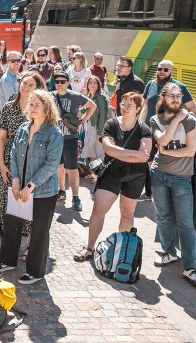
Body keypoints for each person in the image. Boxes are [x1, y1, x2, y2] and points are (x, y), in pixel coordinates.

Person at [73, 92, 151, 262]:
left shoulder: (144, 129)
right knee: (98, 209)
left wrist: (121, 153)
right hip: (112, 172)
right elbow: (108, 149)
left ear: (138, 109)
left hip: (135, 175)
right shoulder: (111, 124)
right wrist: (133, 154)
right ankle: (89, 248)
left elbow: (145, 156)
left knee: (127, 213)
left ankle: (121, 252)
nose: (125, 107)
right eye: (123, 104)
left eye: (130, 105)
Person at [0, 89, 64, 284]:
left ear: (47, 108)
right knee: (12, 224)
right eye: (31, 104)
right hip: (20, 186)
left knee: (39, 231)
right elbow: (14, 154)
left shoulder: (54, 132)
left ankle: (35, 272)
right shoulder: (23, 128)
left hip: (43, 191)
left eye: (38, 104)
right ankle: (7, 261)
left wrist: (30, 186)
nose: (33, 107)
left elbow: (52, 165)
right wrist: (17, 181)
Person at [149, 83, 196, 287]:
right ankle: (169, 253)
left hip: (181, 178)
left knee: (186, 223)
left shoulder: (190, 121)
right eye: (172, 96)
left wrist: (166, 152)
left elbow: (190, 151)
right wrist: (176, 121)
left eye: (178, 96)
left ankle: (190, 267)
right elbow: (162, 139)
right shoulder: (156, 120)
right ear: (163, 98)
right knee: (163, 217)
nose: (176, 99)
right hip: (159, 174)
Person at [0, 72, 47, 236]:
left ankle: (26, 245)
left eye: (31, 85)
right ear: (19, 84)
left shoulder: (40, 110)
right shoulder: (9, 107)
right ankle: (3, 243)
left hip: (31, 163)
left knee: (27, 205)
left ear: (38, 89)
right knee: (5, 203)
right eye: (24, 84)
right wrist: (1, 165)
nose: (26, 88)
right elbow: (1, 139)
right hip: (9, 161)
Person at [141, 59, 194, 199]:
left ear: (172, 72)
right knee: (149, 159)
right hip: (150, 128)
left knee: (165, 158)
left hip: (171, 130)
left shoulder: (179, 87)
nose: (161, 72)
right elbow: (143, 104)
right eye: (159, 69)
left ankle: (161, 189)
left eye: (165, 70)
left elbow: (192, 108)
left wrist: (184, 121)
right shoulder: (150, 84)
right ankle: (150, 189)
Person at [53, 71, 97, 211]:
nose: (59, 84)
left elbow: (93, 106)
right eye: (57, 81)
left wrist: (83, 120)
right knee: (59, 166)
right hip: (54, 138)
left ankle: (76, 197)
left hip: (70, 137)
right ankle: (61, 191)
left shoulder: (75, 96)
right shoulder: (50, 96)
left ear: (68, 82)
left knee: (72, 168)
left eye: (62, 81)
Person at [81, 75, 108, 165]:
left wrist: (100, 132)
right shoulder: (89, 97)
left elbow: (103, 116)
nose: (92, 85)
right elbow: (85, 110)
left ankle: (100, 174)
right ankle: (94, 172)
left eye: (95, 83)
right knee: (91, 150)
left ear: (98, 85)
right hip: (89, 126)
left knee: (99, 151)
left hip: (97, 128)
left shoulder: (101, 98)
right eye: (90, 83)